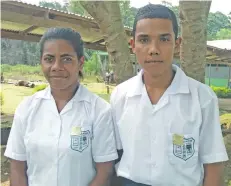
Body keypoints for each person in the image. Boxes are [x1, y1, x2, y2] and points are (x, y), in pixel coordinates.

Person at [110, 4, 229, 186]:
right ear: (133, 45)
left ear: (177, 44)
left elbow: (213, 163)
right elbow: (114, 154)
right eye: (144, 40)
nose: (154, 49)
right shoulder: (121, 95)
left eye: (164, 39)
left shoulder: (202, 97)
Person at [4, 27, 118, 186]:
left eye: (66, 59)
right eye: (49, 59)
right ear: (41, 62)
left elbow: (104, 172)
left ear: (80, 63)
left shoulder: (99, 111)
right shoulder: (26, 108)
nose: (57, 66)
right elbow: (17, 167)